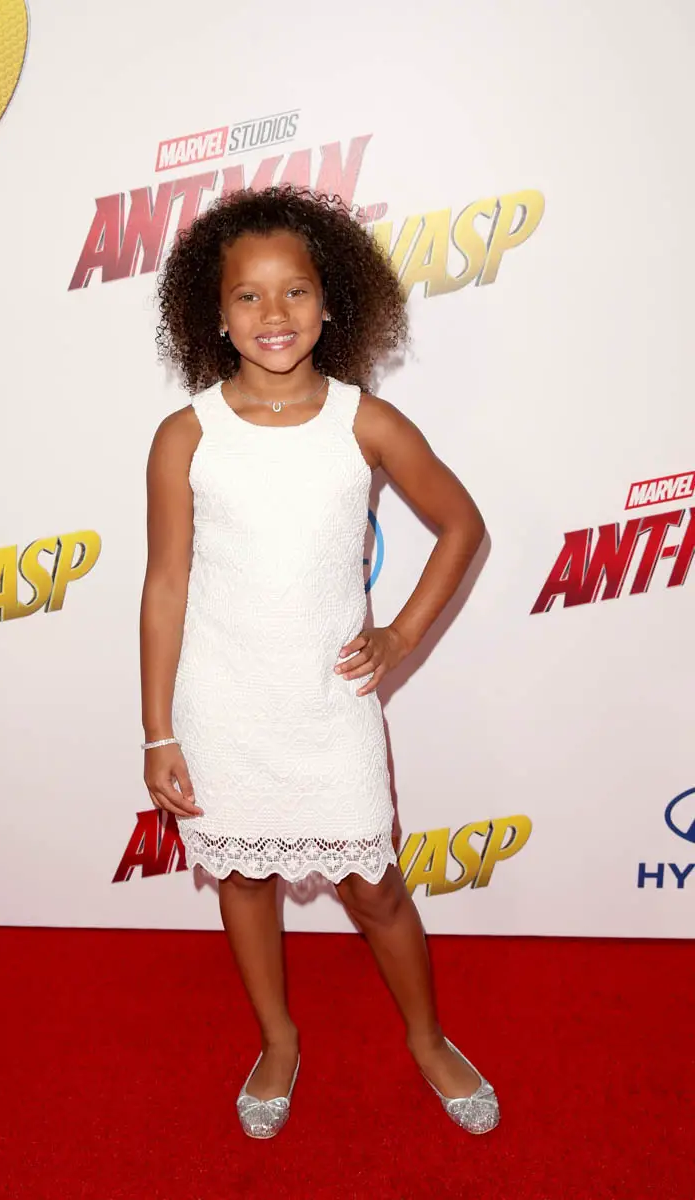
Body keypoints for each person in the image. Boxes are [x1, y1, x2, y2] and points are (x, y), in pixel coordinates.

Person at [140, 185, 498, 1139]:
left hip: (328, 707)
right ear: (216, 315)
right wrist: (158, 731)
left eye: (294, 291)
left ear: (330, 301)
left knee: (375, 887)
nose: (274, 313)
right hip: (224, 706)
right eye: (248, 295)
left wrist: (401, 634)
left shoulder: (364, 422)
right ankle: (278, 1041)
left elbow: (462, 525)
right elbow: (166, 586)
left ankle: (427, 1038)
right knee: (243, 880)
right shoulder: (186, 436)